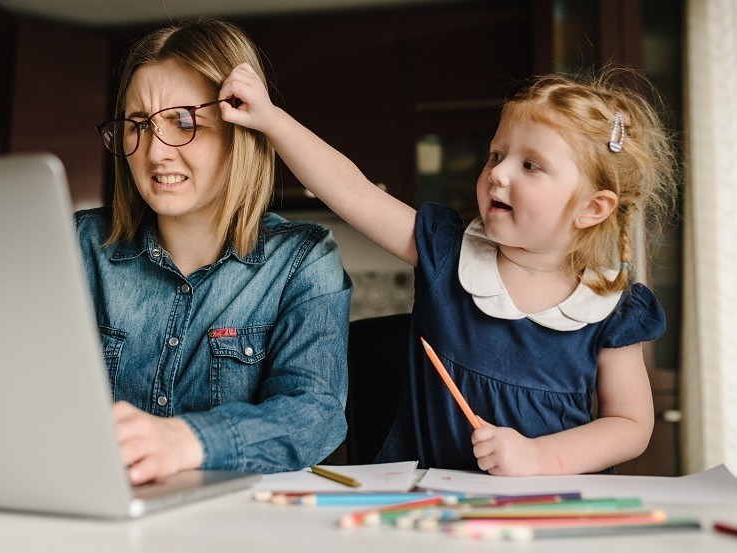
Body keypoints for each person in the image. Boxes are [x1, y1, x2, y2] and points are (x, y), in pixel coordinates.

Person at [221, 64, 678, 475]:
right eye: (497, 155)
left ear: (592, 208)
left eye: (531, 165)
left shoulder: (612, 307)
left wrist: (539, 458)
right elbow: (352, 192)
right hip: (428, 504)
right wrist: (271, 120)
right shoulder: (446, 250)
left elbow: (629, 426)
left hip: (549, 512)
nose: (498, 174)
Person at [76, 19, 352, 485]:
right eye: (139, 125)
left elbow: (314, 416)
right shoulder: (80, 246)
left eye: (184, 122)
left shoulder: (302, 261)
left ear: (239, 131)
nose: (155, 152)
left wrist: (187, 441)